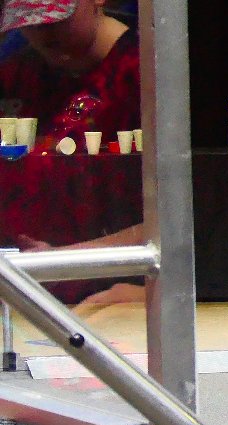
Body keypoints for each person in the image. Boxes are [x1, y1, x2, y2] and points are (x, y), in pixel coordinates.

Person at [0, 0, 142, 305]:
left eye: (56, 19)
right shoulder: (16, 74)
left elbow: (184, 216)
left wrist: (62, 259)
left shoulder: (146, 75)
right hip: (24, 291)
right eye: (29, 23)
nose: (42, 32)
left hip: (118, 296)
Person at [0, 0, 140, 150]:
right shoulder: (15, 77)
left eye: (56, 15)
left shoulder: (144, 75)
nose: (40, 29)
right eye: (26, 18)